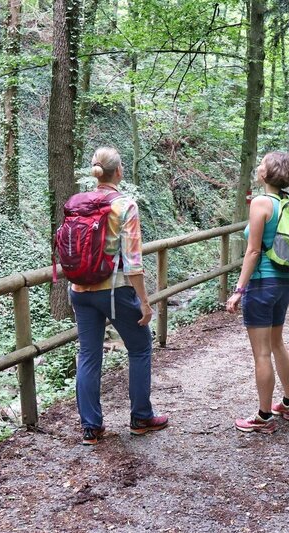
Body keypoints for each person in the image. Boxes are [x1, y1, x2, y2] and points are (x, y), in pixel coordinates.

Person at [69, 147, 168, 445]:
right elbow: (133, 262)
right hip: (114, 289)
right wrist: (145, 302)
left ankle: (91, 428)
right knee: (139, 348)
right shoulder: (125, 205)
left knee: (88, 355)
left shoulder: (76, 202)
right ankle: (140, 418)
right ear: (119, 171)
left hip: (79, 291)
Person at [225, 152, 289, 434]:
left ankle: (264, 417)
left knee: (261, 353)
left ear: (268, 174)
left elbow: (254, 250)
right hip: (283, 283)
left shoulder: (261, 203)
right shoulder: (286, 203)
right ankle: (288, 404)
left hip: (261, 283)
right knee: (277, 343)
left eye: (262, 165)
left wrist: (238, 290)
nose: (258, 167)